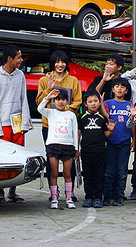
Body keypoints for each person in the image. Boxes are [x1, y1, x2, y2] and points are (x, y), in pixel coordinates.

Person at [0, 44, 32, 204]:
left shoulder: (20, 76)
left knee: (18, 160)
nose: (21, 60)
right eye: (18, 57)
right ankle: (0, 192)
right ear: (9, 59)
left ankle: (13, 192)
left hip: (17, 125)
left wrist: (25, 124)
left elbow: (23, 99)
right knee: (1, 160)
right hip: (3, 125)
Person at [36, 50, 82, 192]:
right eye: (57, 61)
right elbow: (39, 102)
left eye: (62, 62)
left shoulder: (73, 81)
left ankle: (71, 192)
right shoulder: (44, 80)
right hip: (49, 127)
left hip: (67, 128)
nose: (60, 64)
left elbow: (78, 101)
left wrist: (63, 109)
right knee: (51, 162)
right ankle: (53, 193)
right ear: (52, 63)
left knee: (70, 161)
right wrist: (48, 89)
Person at [38, 89, 79, 209]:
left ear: (67, 101)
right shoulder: (50, 113)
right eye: (57, 99)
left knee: (67, 173)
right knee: (54, 173)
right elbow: (39, 109)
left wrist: (76, 148)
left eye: (63, 99)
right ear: (54, 102)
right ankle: (54, 198)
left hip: (68, 146)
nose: (61, 102)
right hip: (53, 145)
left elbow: (75, 132)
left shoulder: (71, 115)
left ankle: (69, 198)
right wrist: (48, 97)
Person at [78, 89, 115, 208]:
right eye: (90, 101)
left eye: (95, 101)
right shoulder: (81, 117)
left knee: (99, 175)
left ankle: (98, 197)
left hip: (100, 151)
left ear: (100, 103)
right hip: (86, 151)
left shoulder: (103, 118)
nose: (93, 103)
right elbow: (78, 134)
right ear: (85, 103)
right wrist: (76, 149)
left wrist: (110, 130)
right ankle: (88, 197)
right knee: (88, 175)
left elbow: (106, 135)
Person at [100, 77, 134, 205]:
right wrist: (102, 104)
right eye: (117, 86)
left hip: (125, 141)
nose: (119, 88)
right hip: (110, 141)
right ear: (113, 89)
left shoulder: (130, 105)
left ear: (126, 90)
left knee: (122, 171)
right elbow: (106, 117)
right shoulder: (108, 103)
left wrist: (134, 140)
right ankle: (107, 195)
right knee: (109, 171)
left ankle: (119, 195)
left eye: (122, 87)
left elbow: (133, 124)